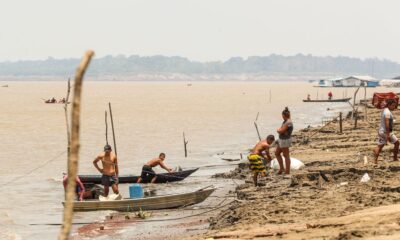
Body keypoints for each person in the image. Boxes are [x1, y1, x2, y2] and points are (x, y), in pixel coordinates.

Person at [373, 99, 399, 165]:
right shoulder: (387, 112)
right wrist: (388, 134)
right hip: (385, 132)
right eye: (393, 105)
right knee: (396, 143)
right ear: (389, 105)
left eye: (395, 105)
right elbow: (387, 122)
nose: (394, 107)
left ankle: (375, 161)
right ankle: (395, 158)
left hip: (381, 131)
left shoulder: (384, 110)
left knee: (380, 146)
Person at [275, 107, 294, 175]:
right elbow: (282, 130)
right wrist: (280, 130)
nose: (282, 117)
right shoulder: (286, 121)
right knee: (277, 153)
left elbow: (281, 130)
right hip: (282, 139)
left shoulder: (288, 122)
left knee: (286, 155)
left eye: (282, 116)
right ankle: (282, 168)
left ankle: (287, 171)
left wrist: (278, 130)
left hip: (285, 140)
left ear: (283, 115)